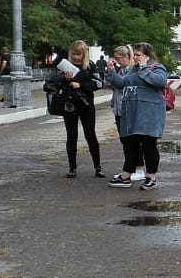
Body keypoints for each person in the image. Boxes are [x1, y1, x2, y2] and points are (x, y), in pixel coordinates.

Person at [104, 41, 167, 190]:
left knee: (149, 146)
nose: (136, 58)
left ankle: (151, 177)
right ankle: (126, 175)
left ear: (147, 55)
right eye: (136, 55)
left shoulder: (157, 68)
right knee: (130, 145)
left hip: (149, 116)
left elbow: (160, 81)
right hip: (131, 114)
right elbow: (122, 83)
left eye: (139, 55)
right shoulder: (133, 70)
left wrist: (145, 69)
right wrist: (111, 71)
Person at [60, 40, 103, 178]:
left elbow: (98, 83)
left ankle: (97, 166)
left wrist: (81, 85)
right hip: (70, 104)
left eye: (78, 54)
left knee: (90, 135)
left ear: (84, 54)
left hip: (86, 104)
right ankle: (72, 167)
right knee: (71, 136)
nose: (76, 57)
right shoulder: (65, 65)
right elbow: (57, 84)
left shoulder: (90, 66)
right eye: (73, 54)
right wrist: (66, 80)